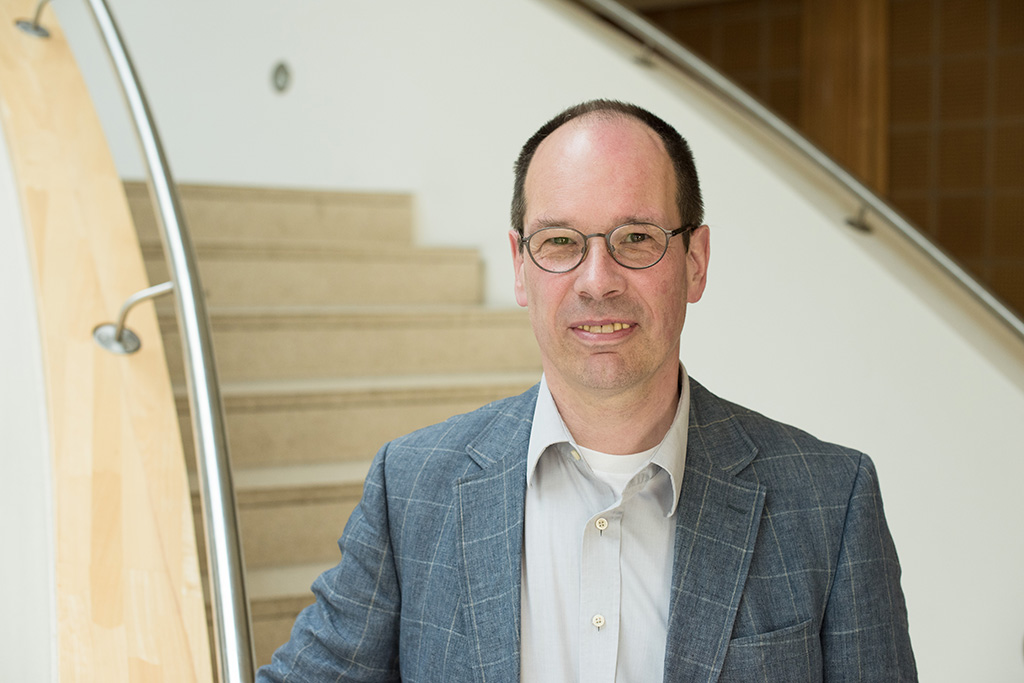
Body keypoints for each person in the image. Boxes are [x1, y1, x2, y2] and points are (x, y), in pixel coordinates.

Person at [257, 100, 916, 682]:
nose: (597, 279)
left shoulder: (831, 503)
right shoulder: (411, 490)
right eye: (561, 241)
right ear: (521, 266)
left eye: (636, 238)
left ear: (696, 261)